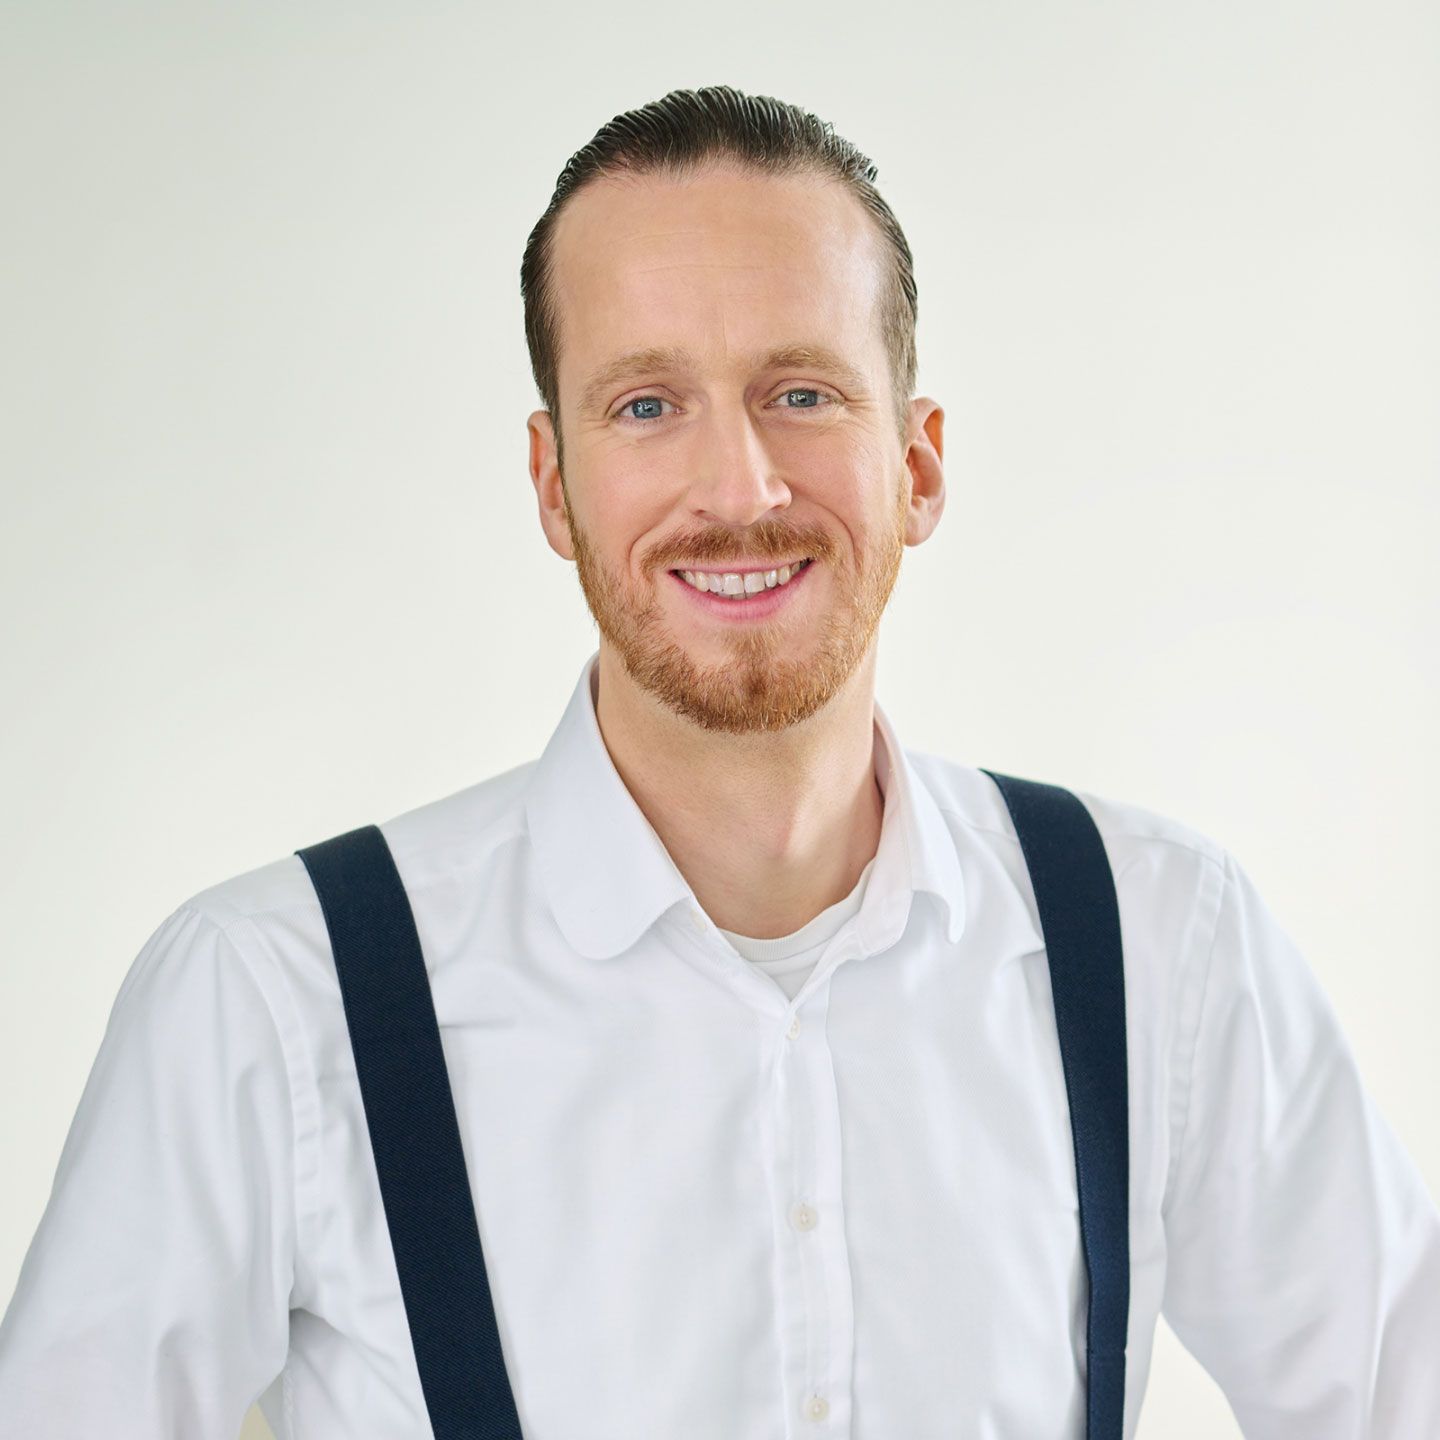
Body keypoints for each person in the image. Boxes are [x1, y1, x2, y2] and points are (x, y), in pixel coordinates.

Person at [1, 83, 1436, 1439]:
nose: (740, 489)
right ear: (553, 484)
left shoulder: (1160, 940)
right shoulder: (267, 995)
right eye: (645, 405)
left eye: (802, 393)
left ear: (920, 463)